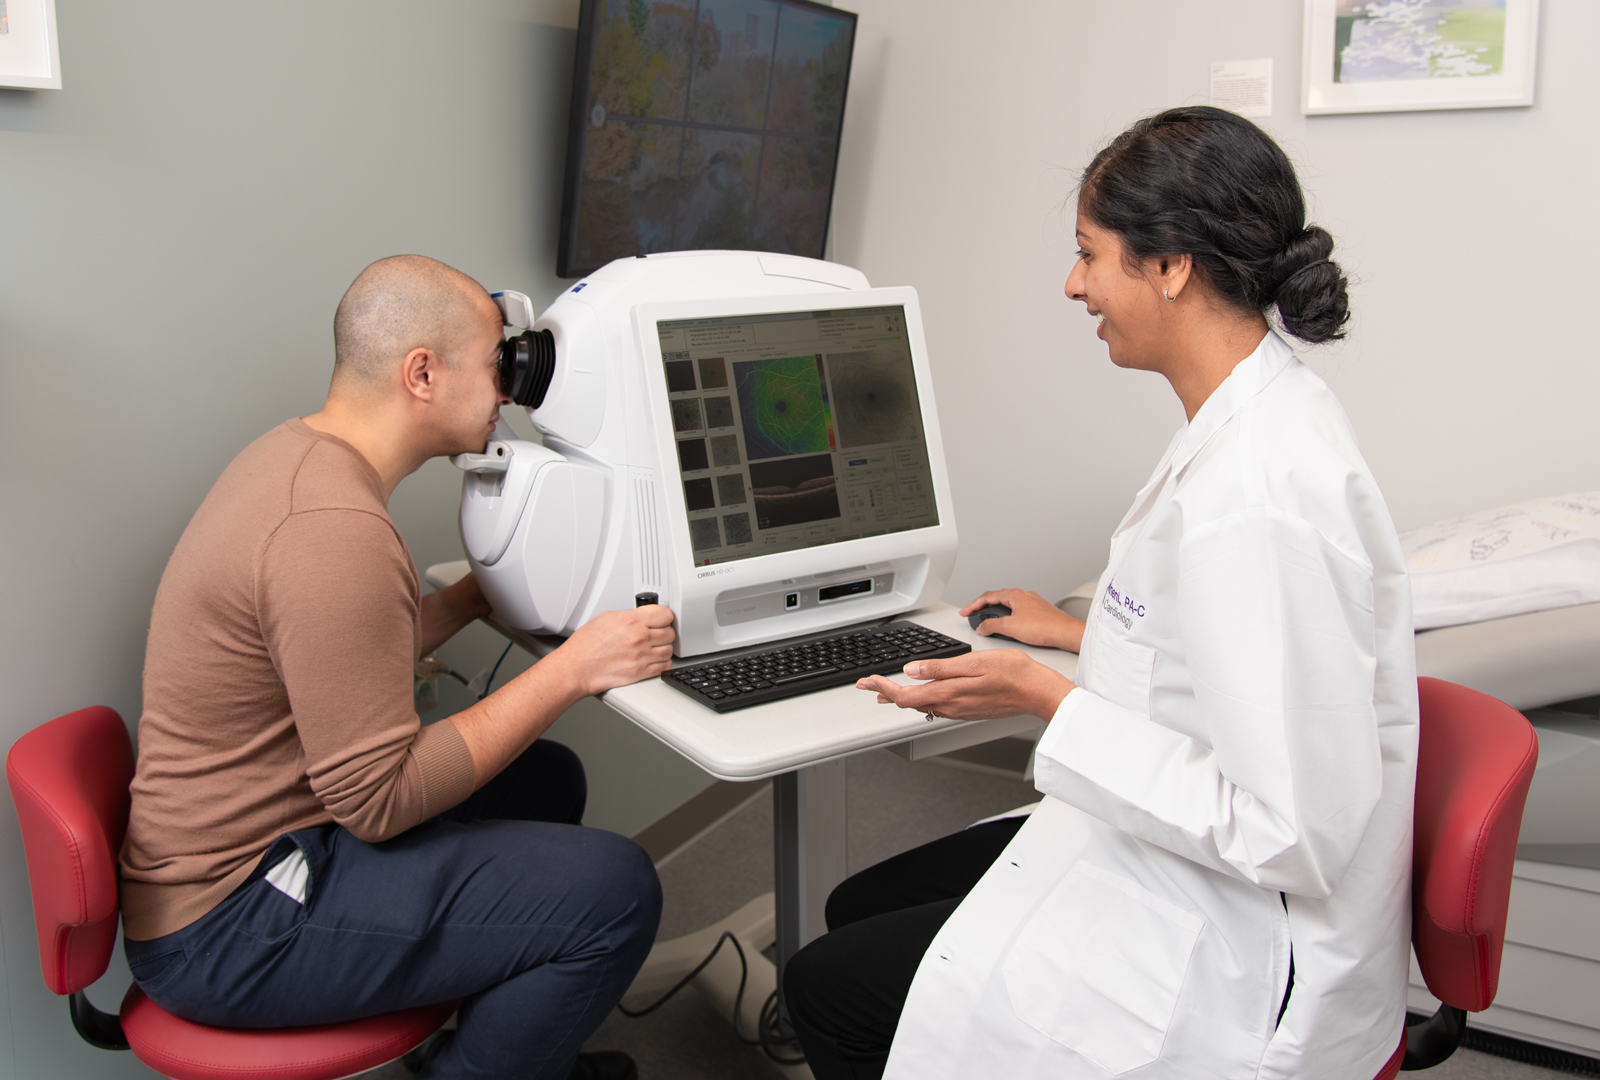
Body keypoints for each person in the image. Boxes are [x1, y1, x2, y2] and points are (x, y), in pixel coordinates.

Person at [782, 106, 1418, 1080]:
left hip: (1251, 939)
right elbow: (1235, 650)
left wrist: (1045, 698)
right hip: (1199, 853)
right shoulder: (1254, 409)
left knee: (828, 989)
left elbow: (1285, 832)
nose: (1073, 284)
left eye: (1089, 254)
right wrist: (1075, 635)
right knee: (858, 908)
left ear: (1168, 266)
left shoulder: (1257, 494)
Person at [119, 255, 675, 1080]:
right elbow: (378, 801)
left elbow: (321, 662)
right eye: (496, 366)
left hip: (253, 848)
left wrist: (464, 602)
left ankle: (511, 1056)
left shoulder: (298, 456)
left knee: (546, 781)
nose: (506, 393)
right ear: (422, 374)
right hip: (231, 922)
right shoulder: (332, 529)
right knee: (619, 890)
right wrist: (572, 670)